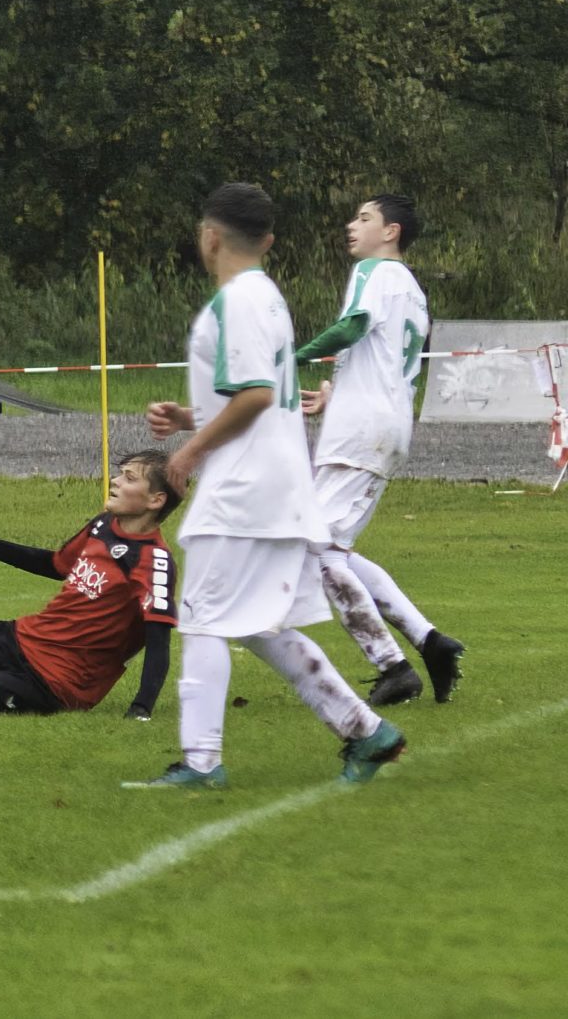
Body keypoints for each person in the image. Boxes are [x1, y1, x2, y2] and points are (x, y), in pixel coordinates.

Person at [129, 182, 404, 790]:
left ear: (210, 237)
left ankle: (201, 763)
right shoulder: (268, 298)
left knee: (202, 619)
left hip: (244, 489)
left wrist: (189, 452)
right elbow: (264, 395)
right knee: (254, 624)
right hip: (275, 483)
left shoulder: (239, 301)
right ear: (269, 240)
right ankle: (367, 731)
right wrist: (191, 418)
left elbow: (255, 394)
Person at [296, 194, 465, 705]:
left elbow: (353, 326)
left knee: (316, 550)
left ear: (390, 231)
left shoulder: (373, 270)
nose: (352, 225)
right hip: (383, 424)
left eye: (364, 217)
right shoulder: (411, 288)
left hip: (362, 430)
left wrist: (286, 360)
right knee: (333, 549)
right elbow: (382, 357)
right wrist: (335, 392)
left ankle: (392, 665)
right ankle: (430, 642)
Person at [0, 452, 177, 717]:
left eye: (129, 478)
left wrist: (141, 707)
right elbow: (56, 564)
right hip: (23, 637)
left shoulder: (154, 562)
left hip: (55, 678)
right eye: (120, 473)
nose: (115, 481)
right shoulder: (104, 525)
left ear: (156, 500)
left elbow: (159, 640)